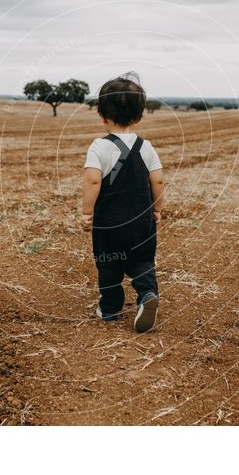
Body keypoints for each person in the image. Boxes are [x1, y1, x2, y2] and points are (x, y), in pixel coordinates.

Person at [81, 72, 165, 333]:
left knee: (108, 263)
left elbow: (93, 182)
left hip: (109, 225)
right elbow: (158, 181)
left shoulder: (99, 147)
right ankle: (147, 294)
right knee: (142, 260)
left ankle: (110, 308)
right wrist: (158, 209)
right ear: (139, 116)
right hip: (141, 221)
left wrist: (86, 213)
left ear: (102, 115)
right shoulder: (146, 146)